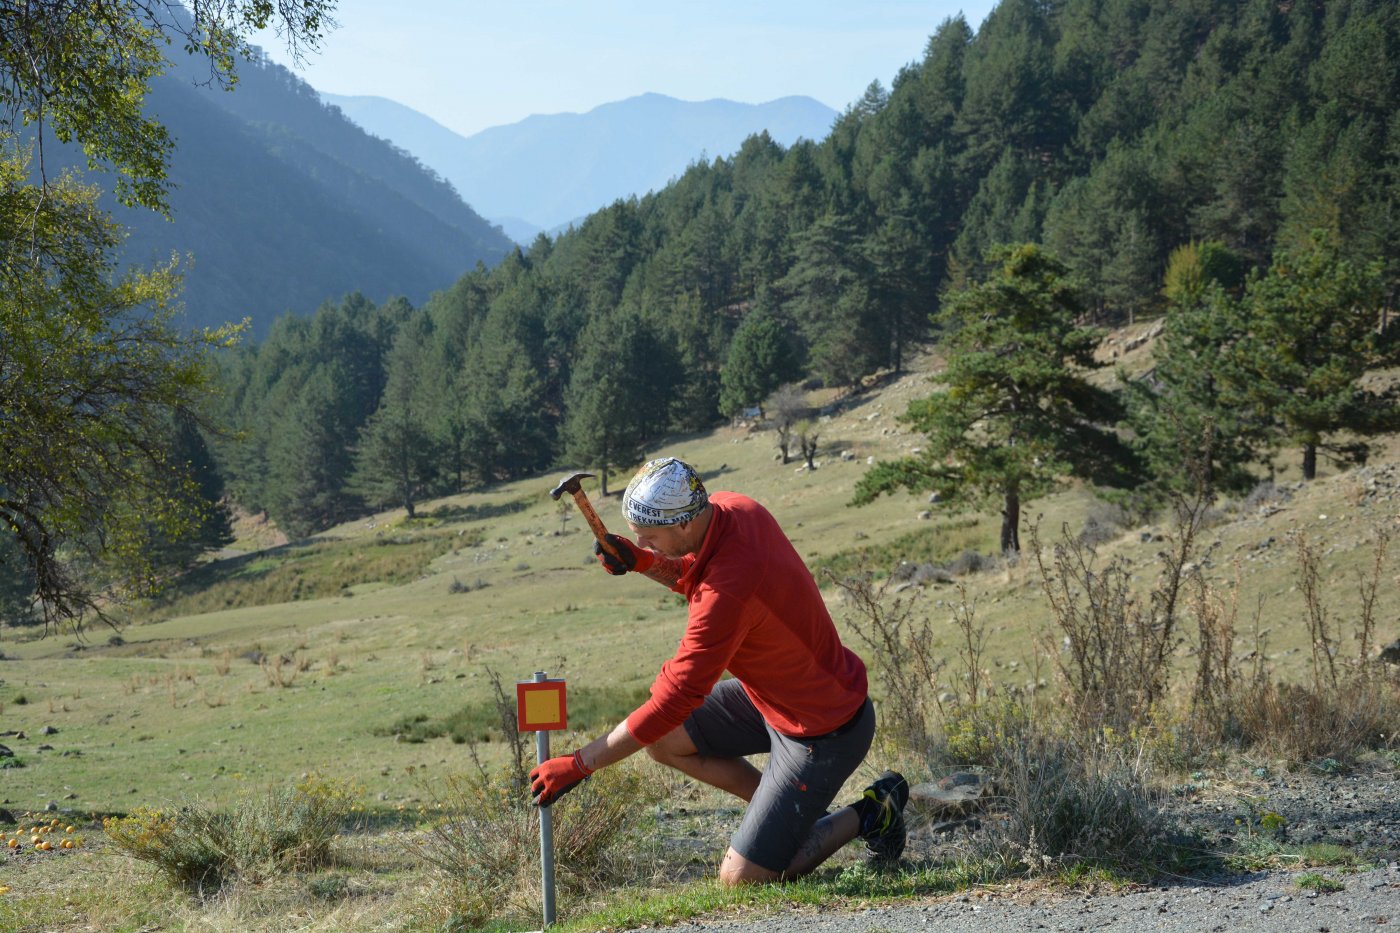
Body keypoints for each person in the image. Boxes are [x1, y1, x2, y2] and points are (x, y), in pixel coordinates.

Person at [529, 457, 908, 884]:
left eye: (649, 538)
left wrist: (580, 763)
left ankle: (873, 811)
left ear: (684, 526)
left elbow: (673, 700)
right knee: (664, 742)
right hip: (773, 698)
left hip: (822, 730)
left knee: (741, 879)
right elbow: (696, 570)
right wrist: (641, 561)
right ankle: (798, 817)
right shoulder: (732, 508)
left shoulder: (726, 595)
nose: (647, 545)